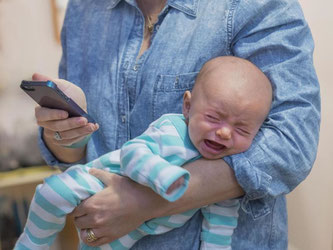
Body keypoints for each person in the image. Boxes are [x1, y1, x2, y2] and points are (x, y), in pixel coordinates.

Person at [30, 0, 320, 249]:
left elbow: (291, 144)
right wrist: (63, 135)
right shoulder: (85, 9)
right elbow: (79, 157)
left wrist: (149, 202)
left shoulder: (250, 6)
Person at [15, 56, 273, 250]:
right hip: (101, 177)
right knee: (52, 193)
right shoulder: (173, 130)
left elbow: (219, 229)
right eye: (214, 117)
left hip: (134, 231)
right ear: (187, 106)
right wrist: (164, 178)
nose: (225, 133)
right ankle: (32, 243)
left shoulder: (227, 175)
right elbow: (132, 153)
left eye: (242, 129)